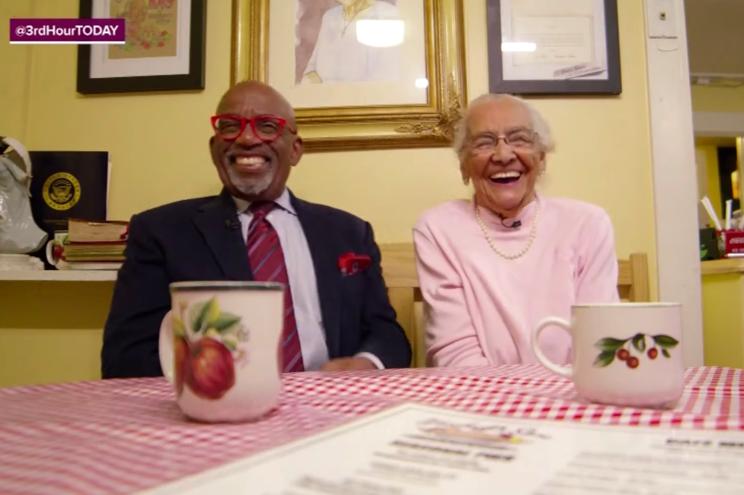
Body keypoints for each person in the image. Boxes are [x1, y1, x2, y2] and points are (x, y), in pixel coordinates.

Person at [102, 80, 411, 378]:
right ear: (214, 149)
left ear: (295, 150)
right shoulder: (160, 232)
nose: (247, 139)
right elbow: (126, 357)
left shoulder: (349, 232)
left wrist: (367, 363)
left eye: (267, 126)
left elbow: (386, 334)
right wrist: (212, 380)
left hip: (330, 404)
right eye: (230, 125)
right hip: (214, 409)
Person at [413, 94, 619, 367]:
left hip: (572, 395)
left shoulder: (588, 223)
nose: (503, 155)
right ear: (464, 167)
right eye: (484, 142)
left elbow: (600, 341)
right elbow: (457, 355)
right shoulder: (438, 229)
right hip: (480, 398)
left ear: (541, 158)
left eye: (519, 139)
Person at [301, 0, 401, 84]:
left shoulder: (387, 15)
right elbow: (311, 70)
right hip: (325, 103)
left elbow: (383, 84)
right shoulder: (329, 17)